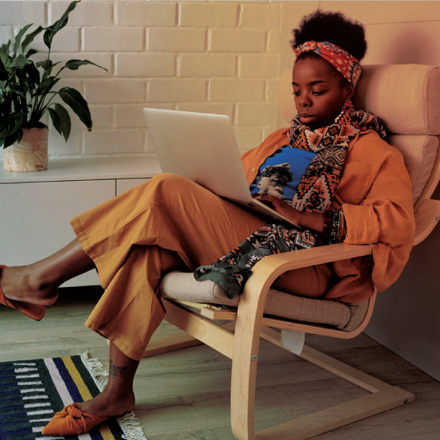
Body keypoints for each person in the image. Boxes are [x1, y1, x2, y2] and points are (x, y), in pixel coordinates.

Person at [0, 10, 415, 436]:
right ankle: (117, 391)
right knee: (152, 244)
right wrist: (232, 189)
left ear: (348, 87)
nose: (303, 100)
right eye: (296, 91)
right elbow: (233, 180)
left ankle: (38, 278)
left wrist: (306, 215)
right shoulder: (281, 140)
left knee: (164, 191)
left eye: (317, 90)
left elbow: (399, 222)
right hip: (255, 238)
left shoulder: (376, 152)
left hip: (306, 266)